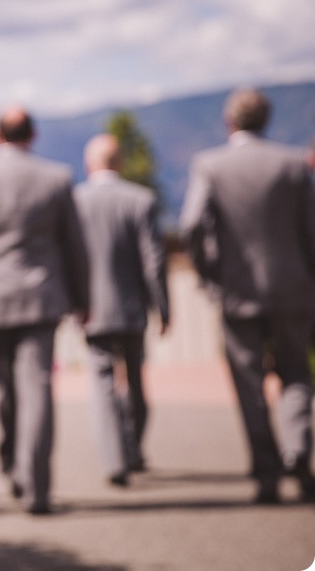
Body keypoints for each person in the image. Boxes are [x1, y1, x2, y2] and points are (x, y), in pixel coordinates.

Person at [0, 106, 90, 514]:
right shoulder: (57, 178)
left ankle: (14, 465)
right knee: (37, 388)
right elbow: (75, 246)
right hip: (44, 299)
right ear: (33, 135)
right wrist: (83, 300)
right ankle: (37, 486)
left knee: (8, 389)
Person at [180, 87, 315, 504]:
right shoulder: (293, 164)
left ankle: (267, 473)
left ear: (229, 121)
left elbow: (189, 226)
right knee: (295, 372)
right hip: (293, 288)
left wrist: (209, 274)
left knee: (248, 384)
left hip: (237, 293)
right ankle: (298, 447)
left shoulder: (210, 165)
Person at [73, 134, 170, 487]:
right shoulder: (140, 200)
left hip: (92, 309)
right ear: (121, 162)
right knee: (136, 380)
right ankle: (133, 448)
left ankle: (114, 459)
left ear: (89, 164)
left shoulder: (74, 201)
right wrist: (163, 306)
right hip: (131, 307)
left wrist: (73, 304)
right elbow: (153, 260)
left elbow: (69, 257)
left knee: (102, 384)